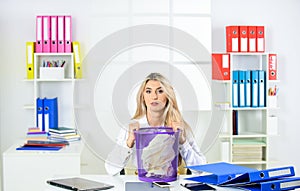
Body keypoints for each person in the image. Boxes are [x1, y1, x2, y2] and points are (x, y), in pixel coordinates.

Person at [105, 72, 206, 175]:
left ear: (168, 95)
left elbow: (200, 169)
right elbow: (110, 169)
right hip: (141, 184)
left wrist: (183, 142)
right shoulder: (131, 128)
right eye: (148, 91)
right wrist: (129, 142)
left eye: (160, 91)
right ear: (142, 96)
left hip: (172, 185)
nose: (154, 96)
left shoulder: (180, 127)